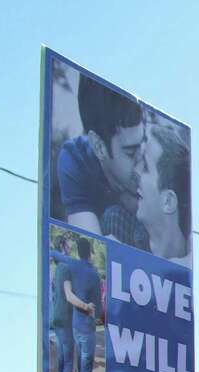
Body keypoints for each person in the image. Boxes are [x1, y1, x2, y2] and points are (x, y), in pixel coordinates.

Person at [56, 75, 147, 248]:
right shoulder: (76, 159)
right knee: (113, 217)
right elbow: (91, 248)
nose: (142, 164)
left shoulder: (159, 149)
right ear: (98, 146)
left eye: (144, 144)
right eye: (131, 152)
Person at [134, 125, 192, 266]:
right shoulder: (124, 233)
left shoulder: (193, 268)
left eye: (145, 167)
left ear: (168, 201)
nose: (136, 172)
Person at [64, 238, 103, 372]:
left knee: (81, 368)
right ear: (91, 253)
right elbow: (97, 308)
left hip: (75, 326)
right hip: (87, 329)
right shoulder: (93, 275)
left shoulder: (71, 267)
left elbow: (69, 295)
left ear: (78, 251)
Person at [48, 236, 78, 372]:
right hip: (65, 320)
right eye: (68, 244)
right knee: (68, 363)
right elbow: (69, 295)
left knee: (61, 362)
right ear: (62, 246)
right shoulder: (65, 267)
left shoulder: (55, 268)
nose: (70, 246)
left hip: (56, 319)